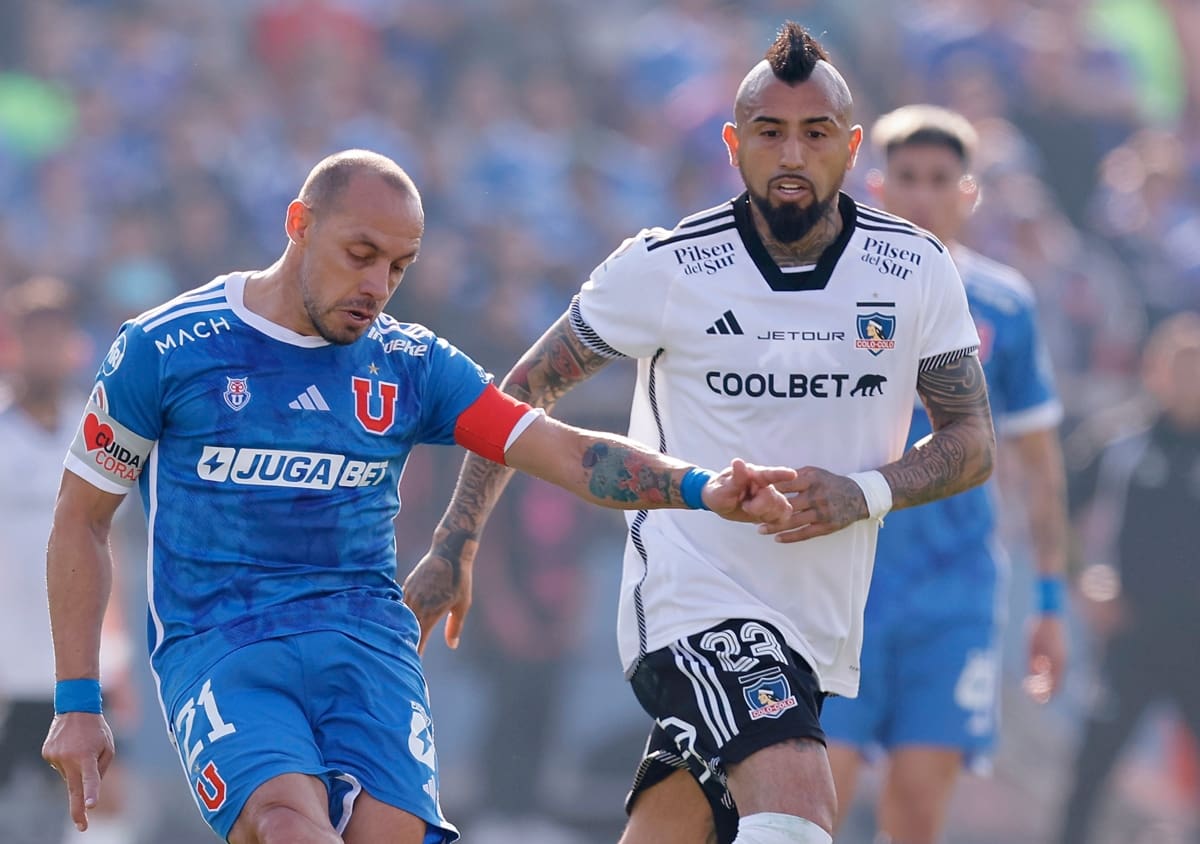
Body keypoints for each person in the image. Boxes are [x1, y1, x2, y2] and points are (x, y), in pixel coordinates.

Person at [39, 149, 799, 844]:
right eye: (360, 255)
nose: (376, 286)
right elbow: (81, 521)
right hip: (225, 646)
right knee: (284, 825)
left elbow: (564, 451)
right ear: (299, 225)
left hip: (366, 642)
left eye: (398, 267)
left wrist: (702, 486)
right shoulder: (164, 349)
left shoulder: (410, 364)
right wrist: (77, 700)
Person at [405, 23, 996, 844]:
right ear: (733, 144)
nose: (792, 153)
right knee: (797, 802)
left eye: (815, 133)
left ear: (851, 146)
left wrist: (861, 493)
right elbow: (521, 394)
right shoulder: (666, 266)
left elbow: (972, 440)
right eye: (769, 131)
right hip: (693, 609)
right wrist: (455, 541)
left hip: (817, 627)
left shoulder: (915, 268)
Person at [816, 104, 1070, 844]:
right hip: (847, 581)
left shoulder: (1003, 304)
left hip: (955, 588)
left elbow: (1038, 465)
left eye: (940, 178)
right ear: (877, 185)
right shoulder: (829, 292)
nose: (922, 193)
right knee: (814, 801)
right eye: (907, 177)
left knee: (919, 813)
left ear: (969, 191)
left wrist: (1050, 599)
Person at [1056, 312, 1200, 844]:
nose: (1189, 380)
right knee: (1089, 773)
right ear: (1155, 371)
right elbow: (1058, 505)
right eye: (1179, 367)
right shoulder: (1121, 441)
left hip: (1198, 644)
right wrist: (1081, 578)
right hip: (1131, 637)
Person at [0, 277, 134, 844]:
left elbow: (112, 548)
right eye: (33, 340)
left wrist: (121, 655)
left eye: (55, 340)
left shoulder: (95, 437)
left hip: (76, 666)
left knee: (101, 808)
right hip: (6, 665)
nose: (44, 353)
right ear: (13, 347)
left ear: (75, 347)